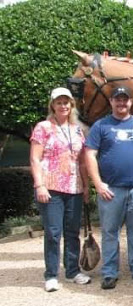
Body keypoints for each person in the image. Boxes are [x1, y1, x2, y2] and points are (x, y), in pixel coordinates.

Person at [85, 86, 133, 290]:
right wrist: (97, 183)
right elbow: (90, 154)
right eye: (117, 99)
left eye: (125, 100)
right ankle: (109, 272)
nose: (121, 103)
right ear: (112, 102)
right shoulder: (101, 125)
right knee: (110, 232)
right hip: (111, 189)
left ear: (131, 102)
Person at [30, 87, 91, 292]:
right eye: (59, 102)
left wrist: (85, 186)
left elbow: (82, 161)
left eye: (66, 102)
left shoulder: (77, 129)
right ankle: (51, 274)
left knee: (72, 232)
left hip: (74, 187)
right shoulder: (43, 127)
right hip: (51, 187)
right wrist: (39, 185)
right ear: (53, 105)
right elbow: (35, 158)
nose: (63, 106)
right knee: (53, 233)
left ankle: (72, 270)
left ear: (71, 105)